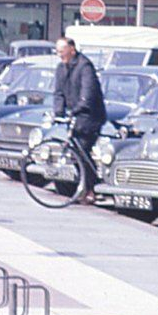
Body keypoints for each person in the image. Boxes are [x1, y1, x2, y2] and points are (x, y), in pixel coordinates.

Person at [52, 35, 108, 203]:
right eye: (57, 51)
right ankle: (84, 185)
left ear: (72, 50)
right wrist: (58, 111)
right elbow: (58, 92)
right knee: (76, 151)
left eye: (62, 51)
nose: (59, 54)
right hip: (75, 114)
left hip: (91, 115)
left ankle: (91, 188)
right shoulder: (61, 68)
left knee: (83, 149)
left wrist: (77, 108)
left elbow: (88, 93)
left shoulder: (85, 67)